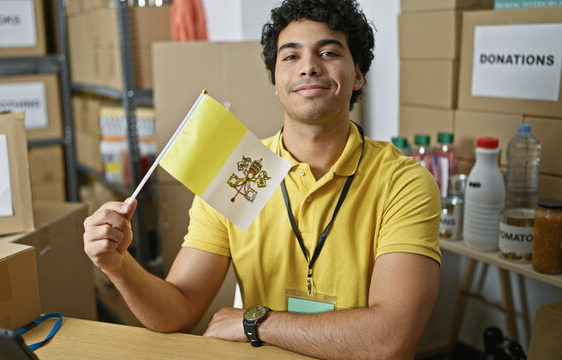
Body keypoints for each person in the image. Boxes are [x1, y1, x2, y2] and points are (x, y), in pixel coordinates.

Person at [83, 0, 441, 358]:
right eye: (290, 57)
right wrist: (118, 264)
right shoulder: (239, 173)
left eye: (328, 52)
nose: (309, 67)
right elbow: (178, 310)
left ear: (358, 74)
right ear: (275, 81)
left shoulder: (403, 182)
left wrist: (255, 322)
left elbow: (390, 339)